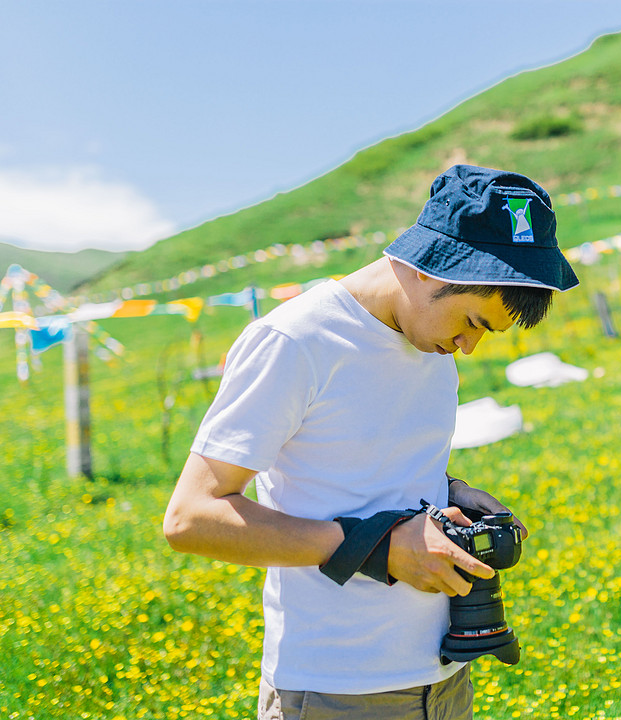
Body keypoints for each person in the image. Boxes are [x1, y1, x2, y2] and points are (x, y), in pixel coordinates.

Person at [163, 164, 579, 720]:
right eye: (472, 321)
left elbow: (372, 467)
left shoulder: (433, 347)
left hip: (447, 677)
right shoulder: (295, 341)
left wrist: (452, 491)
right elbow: (191, 517)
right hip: (337, 690)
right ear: (433, 266)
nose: (470, 346)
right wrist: (379, 549)